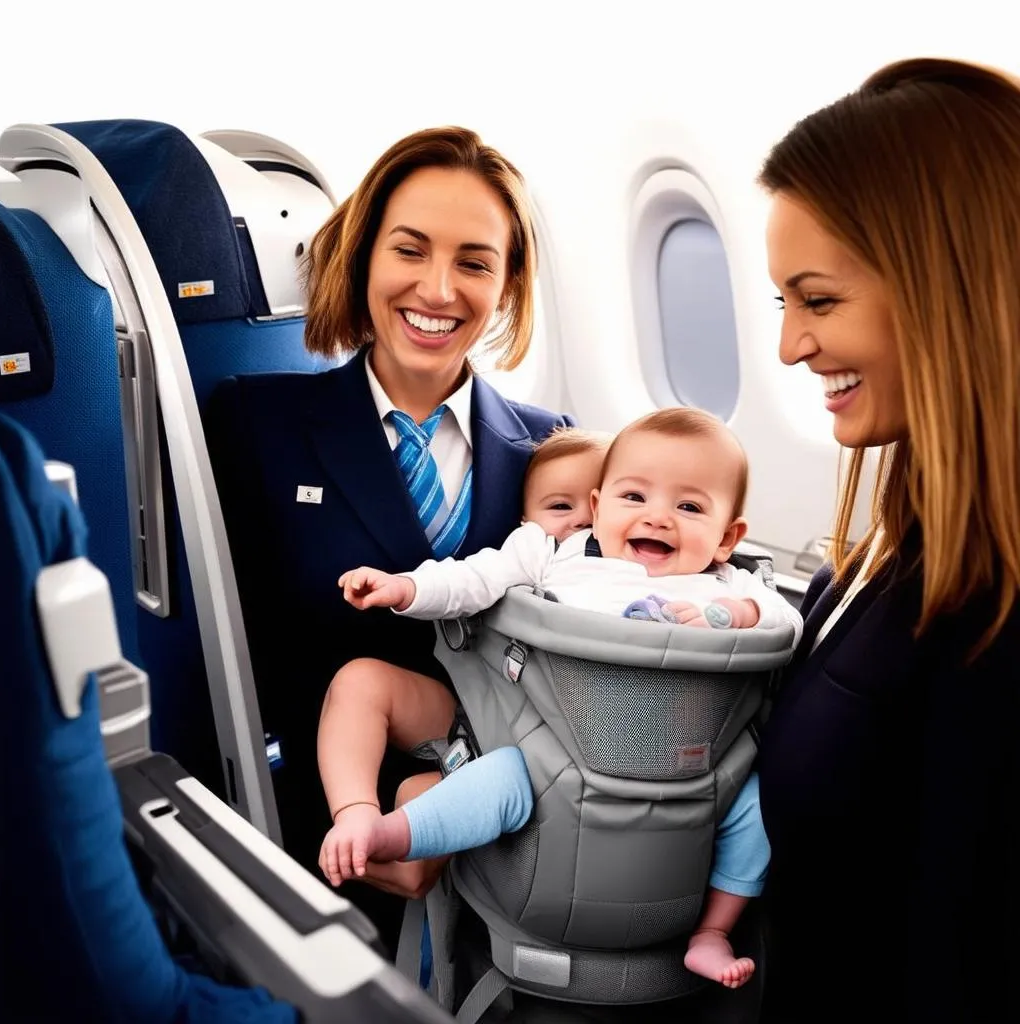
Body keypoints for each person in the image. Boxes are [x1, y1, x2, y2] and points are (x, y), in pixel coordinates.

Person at [205, 127, 573, 950]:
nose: (438, 289)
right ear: (365, 255)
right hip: (319, 835)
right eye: (410, 250)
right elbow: (235, 669)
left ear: (507, 284)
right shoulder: (254, 424)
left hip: (508, 838)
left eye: (475, 262)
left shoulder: (555, 451)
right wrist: (368, 812)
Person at [321, 409, 803, 988]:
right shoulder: (556, 555)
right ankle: (391, 834)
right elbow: (475, 578)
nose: (658, 517)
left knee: (760, 806)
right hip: (561, 751)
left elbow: (785, 622)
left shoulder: (726, 583)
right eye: (634, 497)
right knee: (499, 778)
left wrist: (731, 614)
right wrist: (406, 588)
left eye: (690, 507)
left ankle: (713, 931)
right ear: (598, 509)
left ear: (727, 538)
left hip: (692, 761)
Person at [755, 57, 1020, 1023]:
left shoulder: (996, 613)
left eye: (818, 301)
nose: (789, 345)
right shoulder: (886, 553)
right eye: (783, 303)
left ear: (950, 289)